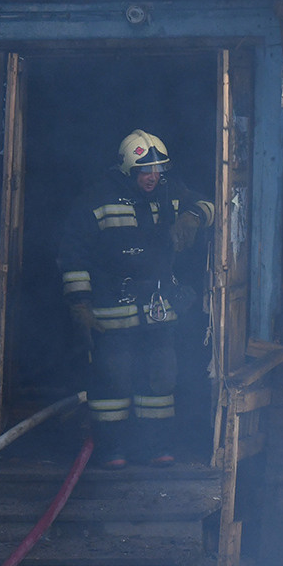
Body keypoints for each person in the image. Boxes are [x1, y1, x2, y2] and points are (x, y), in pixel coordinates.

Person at [57, 130, 214, 469]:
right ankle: (111, 451)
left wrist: (192, 216)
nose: (152, 177)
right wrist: (80, 305)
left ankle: (154, 448)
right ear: (129, 170)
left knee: (160, 379)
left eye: (158, 171)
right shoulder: (97, 200)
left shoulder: (171, 194)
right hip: (110, 312)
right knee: (114, 379)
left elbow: (211, 203)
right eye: (145, 171)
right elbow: (73, 255)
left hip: (157, 311)